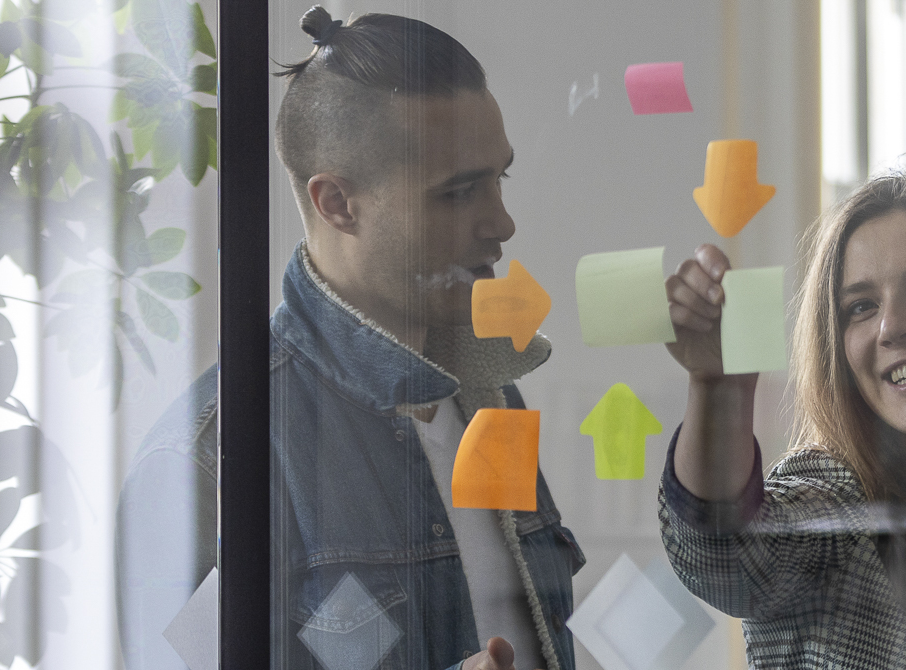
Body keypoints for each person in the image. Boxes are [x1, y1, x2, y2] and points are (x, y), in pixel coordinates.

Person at [115, 8, 583, 670]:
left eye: (498, 179)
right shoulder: (206, 466)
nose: (502, 223)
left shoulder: (487, 395)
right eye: (458, 193)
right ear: (337, 203)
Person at [658, 169, 906, 668]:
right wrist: (717, 387)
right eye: (861, 307)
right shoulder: (833, 497)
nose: (892, 327)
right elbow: (724, 557)